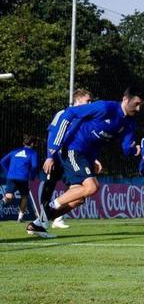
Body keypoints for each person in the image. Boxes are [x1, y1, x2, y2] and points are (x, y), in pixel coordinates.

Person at [31, 87, 143, 238]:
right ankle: (48, 211)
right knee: (92, 187)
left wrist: (133, 149)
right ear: (125, 99)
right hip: (73, 149)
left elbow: (125, 147)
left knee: (78, 199)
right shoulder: (105, 107)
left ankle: (39, 224)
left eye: (141, 105)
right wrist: (52, 150)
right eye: (136, 104)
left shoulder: (130, 123)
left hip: (86, 156)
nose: (138, 108)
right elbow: (69, 113)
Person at [41, 88, 92, 229]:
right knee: (48, 188)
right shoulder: (63, 114)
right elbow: (52, 135)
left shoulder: (84, 118)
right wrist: (49, 157)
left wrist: (93, 158)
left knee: (79, 195)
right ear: (78, 100)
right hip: (57, 158)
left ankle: (53, 218)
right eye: (88, 100)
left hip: (71, 158)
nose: (90, 103)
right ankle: (41, 220)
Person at [1, 136, 39, 222]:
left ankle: (2, 201)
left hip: (11, 177)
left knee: (9, 196)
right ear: (32, 144)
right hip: (23, 178)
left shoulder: (14, 151)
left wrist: (8, 172)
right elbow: (35, 166)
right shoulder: (33, 153)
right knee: (24, 197)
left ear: (23, 143)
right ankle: (20, 218)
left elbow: (2, 161)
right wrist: (32, 177)